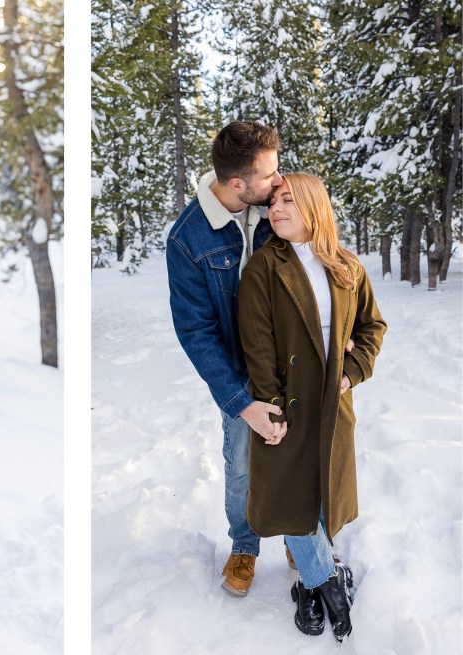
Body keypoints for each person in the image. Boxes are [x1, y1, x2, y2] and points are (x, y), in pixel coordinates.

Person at [238, 173, 385, 642]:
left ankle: (306, 576)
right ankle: (325, 579)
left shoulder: (347, 266)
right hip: (286, 400)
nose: (276, 210)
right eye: (273, 203)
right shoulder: (263, 267)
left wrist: (350, 373)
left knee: (322, 490)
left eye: (288, 202)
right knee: (290, 495)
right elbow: (257, 344)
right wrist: (271, 404)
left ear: (314, 208)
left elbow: (372, 327)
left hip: (333, 401)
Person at [165, 120, 284, 596]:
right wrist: (240, 400)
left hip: (292, 361)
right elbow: (195, 331)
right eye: (269, 174)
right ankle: (245, 545)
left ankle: (304, 535)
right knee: (240, 464)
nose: (279, 181)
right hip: (240, 374)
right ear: (238, 184)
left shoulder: (279, 206)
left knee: (302, 452)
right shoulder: (188, 239)